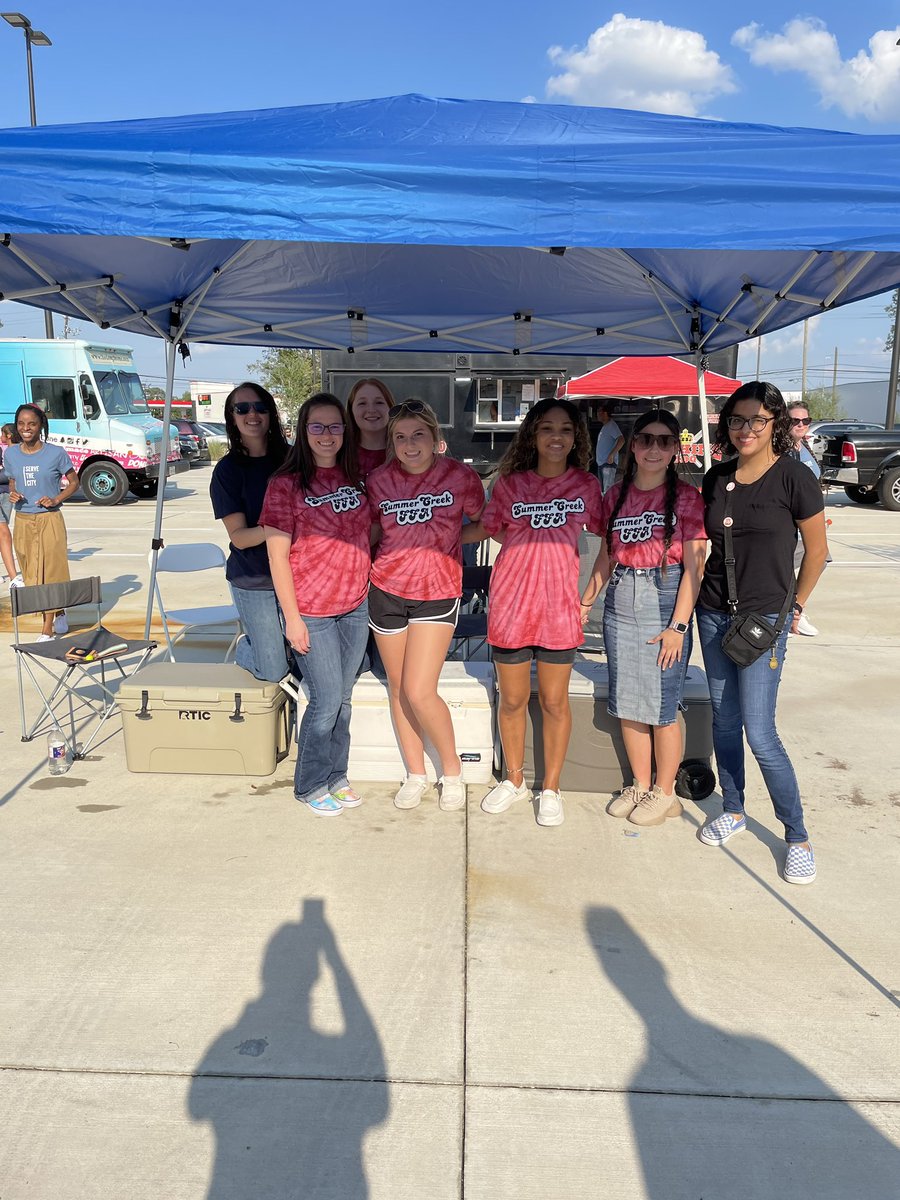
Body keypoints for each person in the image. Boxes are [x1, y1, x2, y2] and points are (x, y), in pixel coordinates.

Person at [695, 381, 828, 885]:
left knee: (760, 732)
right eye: (736, 419)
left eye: (756, 420)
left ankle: (797, 836)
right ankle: (733, 808)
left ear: (775, 424)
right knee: (724, 722)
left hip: (764, 621)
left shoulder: (795, 477)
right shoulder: (716, 477)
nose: (745, 429)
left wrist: (795, 606)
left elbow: (816, 552)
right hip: (713, 613)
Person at [476, 398, 602, 827]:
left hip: (558, 610)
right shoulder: (510, 484)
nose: (556, 436)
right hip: (511, 606)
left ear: (576, 438)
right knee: (512, 700)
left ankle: (550, 787)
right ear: (532, 434)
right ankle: (513, 780)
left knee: (553, 702)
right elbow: (488, 529)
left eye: (565, 429)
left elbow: (612, 536)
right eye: (547, 428)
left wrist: (588, 598)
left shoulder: (586, 485)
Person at [580, 409, 707, 826]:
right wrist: (586, 602)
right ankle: (640, 783)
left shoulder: (687, 498)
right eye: (646, 439)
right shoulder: (615, 494)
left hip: (666, 598)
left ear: (674, 449)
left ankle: (665, 792)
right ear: (633, 446)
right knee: (629, 702)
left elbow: (695, 568)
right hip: (621, 599)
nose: (654, 448)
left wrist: (678, 626)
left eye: (664, 441)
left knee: (661, 705)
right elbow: (606, 556)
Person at [367, 398, 484, 812]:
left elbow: (484, 523)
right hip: (386, 589)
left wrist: (449, 538)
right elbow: (374, 531)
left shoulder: (460, 476)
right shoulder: (378, 480)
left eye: (418, 434)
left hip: (437, 590)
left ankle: (452, 771)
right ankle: (416, 773)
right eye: (400, 437)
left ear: (435, 438)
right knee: (399, 688)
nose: (410, 444)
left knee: (420, 690)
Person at [261, 393, 372, 816]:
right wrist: (292, 620)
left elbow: (370, 531)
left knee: (344, 698)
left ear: (346, 431)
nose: (327, 435)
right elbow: (277, 557)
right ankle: (309, 784)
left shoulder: (357, 477)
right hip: (313, 610)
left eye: (335, 426)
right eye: (317, 427)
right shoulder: (285, 485)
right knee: (325, 702)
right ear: (303, 431)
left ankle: (336, 775)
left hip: (355, 605)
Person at [209, 383, 293, 682]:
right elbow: (240, 537)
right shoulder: (227, 470)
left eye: (260, 407)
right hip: (255, 579)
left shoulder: (293, 459)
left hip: (298, 574)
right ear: (232, 418)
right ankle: (247, 647)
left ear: (271, 414)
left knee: (302, 655)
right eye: (242, 409)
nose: (252, 414)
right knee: (274, 668)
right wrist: (284, 525)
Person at [4, 404, 80, 640]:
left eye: (31, 424)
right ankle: (59, 609)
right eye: (21, 424)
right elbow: (13, 481)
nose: (26, 428)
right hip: (23, 520)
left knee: (52, 571)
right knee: (31, 573)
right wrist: (13, 493)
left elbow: (74, 482)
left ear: (40, 426)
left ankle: (47, 627)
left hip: (50, 519)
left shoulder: (56, 453)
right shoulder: (11, 454)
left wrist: (56, 498)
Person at [786, 400, 822, 636]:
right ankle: (791, 614)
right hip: (789, 526)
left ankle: (796, 610)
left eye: (805, 420)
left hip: (806, 523)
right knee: (786, 569)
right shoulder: (782, 451)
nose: (800, 424)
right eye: (795, 420)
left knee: (820, 558)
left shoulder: (804, 447)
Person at [346, 378, 394, 477]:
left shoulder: (406, 452)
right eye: (362, 403)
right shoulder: (340, 455)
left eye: (379, 402)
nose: (371, 410)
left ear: (390, 407)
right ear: (351, 410)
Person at [0, 422, 23, 588]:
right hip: (6, 492)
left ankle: (13, 577)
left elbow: (10, 474)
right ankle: (14, 577)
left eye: (3, 433)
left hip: (5, 492)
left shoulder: (12, 451)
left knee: (2, 531)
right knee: (3, 531)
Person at [595, 402, 624, 494]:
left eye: (599, 411)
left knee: (608, 490)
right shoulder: (606, 426)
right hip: (602, 463)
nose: (597, 414)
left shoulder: (611, 425)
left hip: (607, 464)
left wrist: (612, 454)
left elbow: (621, 440)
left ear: (605, 413)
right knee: (603, 490)